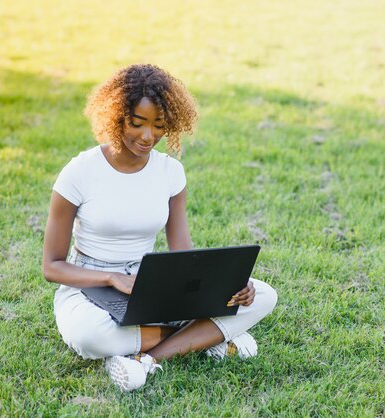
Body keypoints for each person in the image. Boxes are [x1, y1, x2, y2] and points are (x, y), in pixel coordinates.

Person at [42, 64, 278, 392]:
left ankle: (146, 360)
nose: (148, 136)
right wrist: (111, 278)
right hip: (88, 286)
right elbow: (52, 266)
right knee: (87, 335)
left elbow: (182, 251)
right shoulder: (79, 173)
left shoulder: (170, 173)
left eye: (159, 126)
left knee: (264, 295)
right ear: (116, 117)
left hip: (151, 284)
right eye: (137, 124)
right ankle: (206, 335)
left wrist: (226, 285)